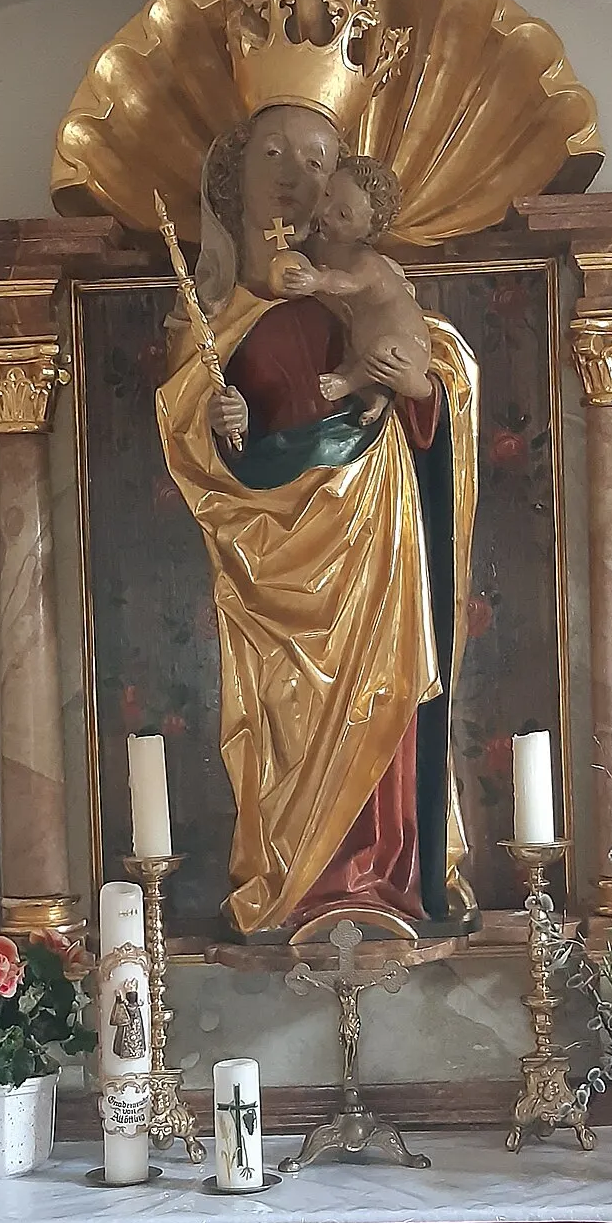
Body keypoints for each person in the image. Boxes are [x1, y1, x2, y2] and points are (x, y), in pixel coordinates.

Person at [156, 105, 479, 939]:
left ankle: (387, 874)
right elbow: (207, 455)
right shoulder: (210, 319)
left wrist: (416, 391)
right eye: (272, 151)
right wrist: (221, 423)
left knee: (383, 692)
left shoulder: (375, 286)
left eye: (318, 155)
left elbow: (431, 401)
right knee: (289, 714)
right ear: (233, 177)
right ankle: (298, 877)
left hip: (376, 532)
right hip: (274, 565)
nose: (297, 172)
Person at [271, 156, 435, 421]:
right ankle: (376, 401)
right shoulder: (326, 241)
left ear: (367, 232)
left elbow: (347, 283)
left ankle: (348, 384)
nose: (326, 212)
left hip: (403, 346)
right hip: (361, 338)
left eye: (343, 214)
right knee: (358, 358)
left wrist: (317, 281)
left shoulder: (366, 262)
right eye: (327, 194)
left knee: (380, 356)